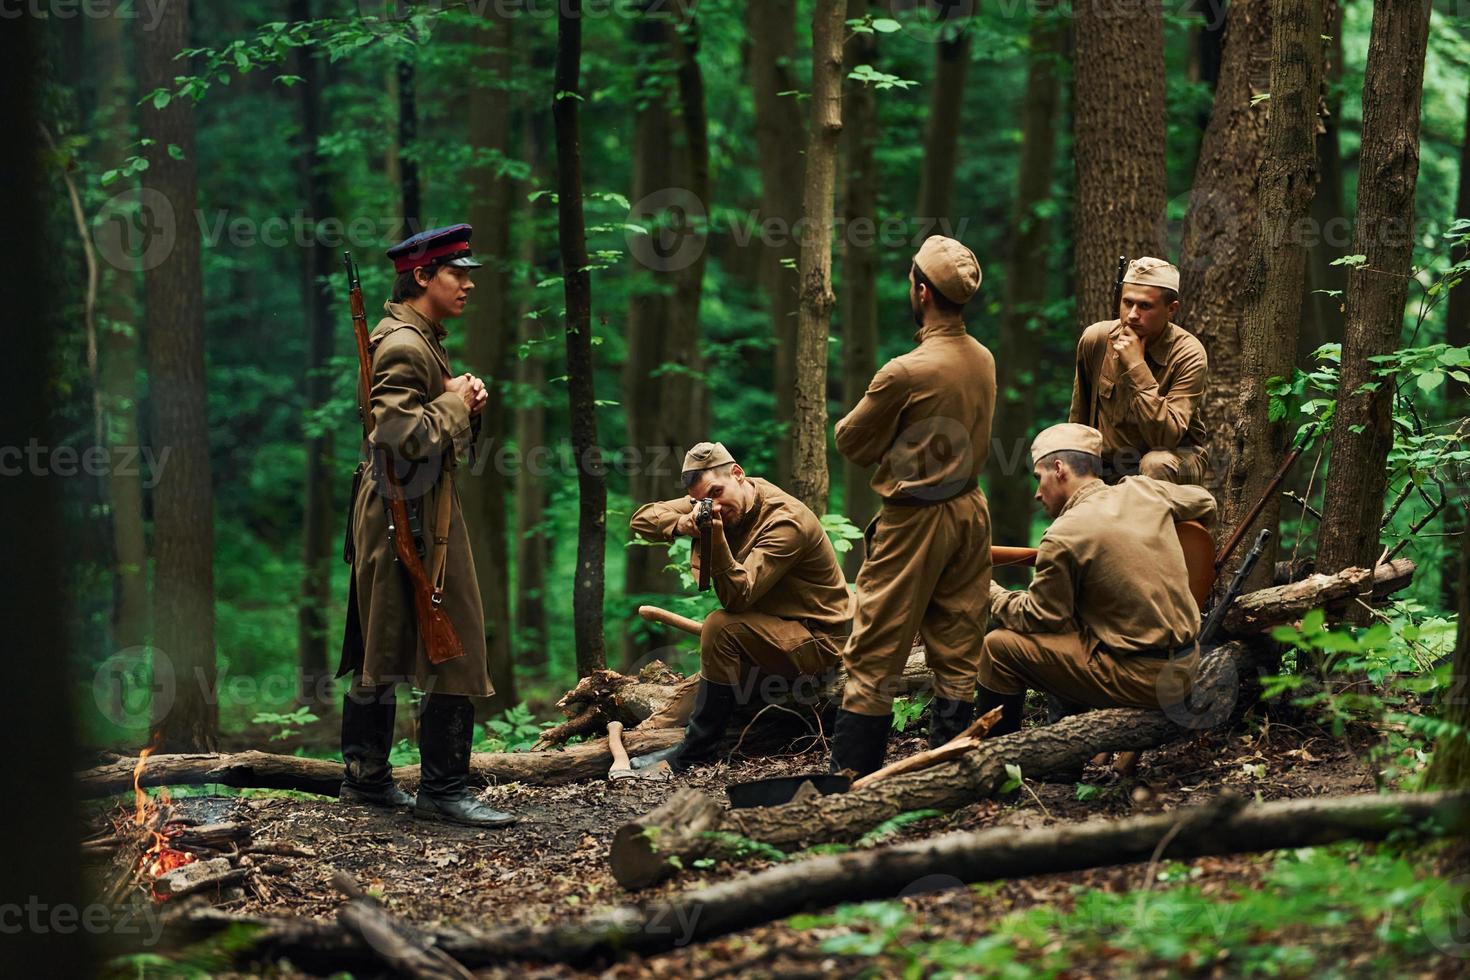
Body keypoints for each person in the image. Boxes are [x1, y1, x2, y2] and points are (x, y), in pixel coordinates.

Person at [337, 223, 515, 827]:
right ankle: (436, 788)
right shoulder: (405, 344)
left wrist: (464, 401)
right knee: (429, 637)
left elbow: (418, 425)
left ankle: (371, 778)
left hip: (413, 503)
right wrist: (456, 404)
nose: (467, 284)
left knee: (388, 640)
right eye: (455, 273)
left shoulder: (418, 337)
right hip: (402, 507)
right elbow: (398, 436)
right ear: (421, 277)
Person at [829, 235, 997, 776]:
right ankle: (949, 772)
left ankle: (852, 780)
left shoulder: (905, 371)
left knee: (874, 647)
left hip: (916, 520)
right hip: (971, 512)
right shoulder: (984, 359)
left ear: (921, 292)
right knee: (958, 641)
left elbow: (851, 444)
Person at [979, 423, 1216, 735]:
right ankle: (1063, 767)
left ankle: (997, 766)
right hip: (1188, 662)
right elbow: (1205, 501)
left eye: (1039, 478)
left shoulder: (1065, 532)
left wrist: (987, 590)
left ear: (1059, 469)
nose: (1037, 493)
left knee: (997, 649)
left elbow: (1037, 617)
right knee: (1075, 620)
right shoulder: (1143, 489)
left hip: (1145, 679)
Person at [628, 442, 852, 772]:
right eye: (704, 501)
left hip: (816, 641)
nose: (713, 506)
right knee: (678, 706)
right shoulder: (712, 499)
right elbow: (641, 520)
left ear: (738, 474)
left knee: (720, 626)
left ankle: (694, 753)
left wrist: (714, 537)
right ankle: (628, 747)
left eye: (717, 493)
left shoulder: (785, 522)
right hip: (768, 635)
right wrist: (684, 524)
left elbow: (737, 598)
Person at [1068, 257, 1210, 484]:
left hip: (1174, 459)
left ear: (1171, 309)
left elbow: (1164, 437)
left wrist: (1136, 367)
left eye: (1145, 306)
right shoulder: (1097, 339)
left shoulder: (1188, 353)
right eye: (1127, 303)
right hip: (1110, 462)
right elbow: (1079, 417)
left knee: (1155, 463)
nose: (1133, 314)